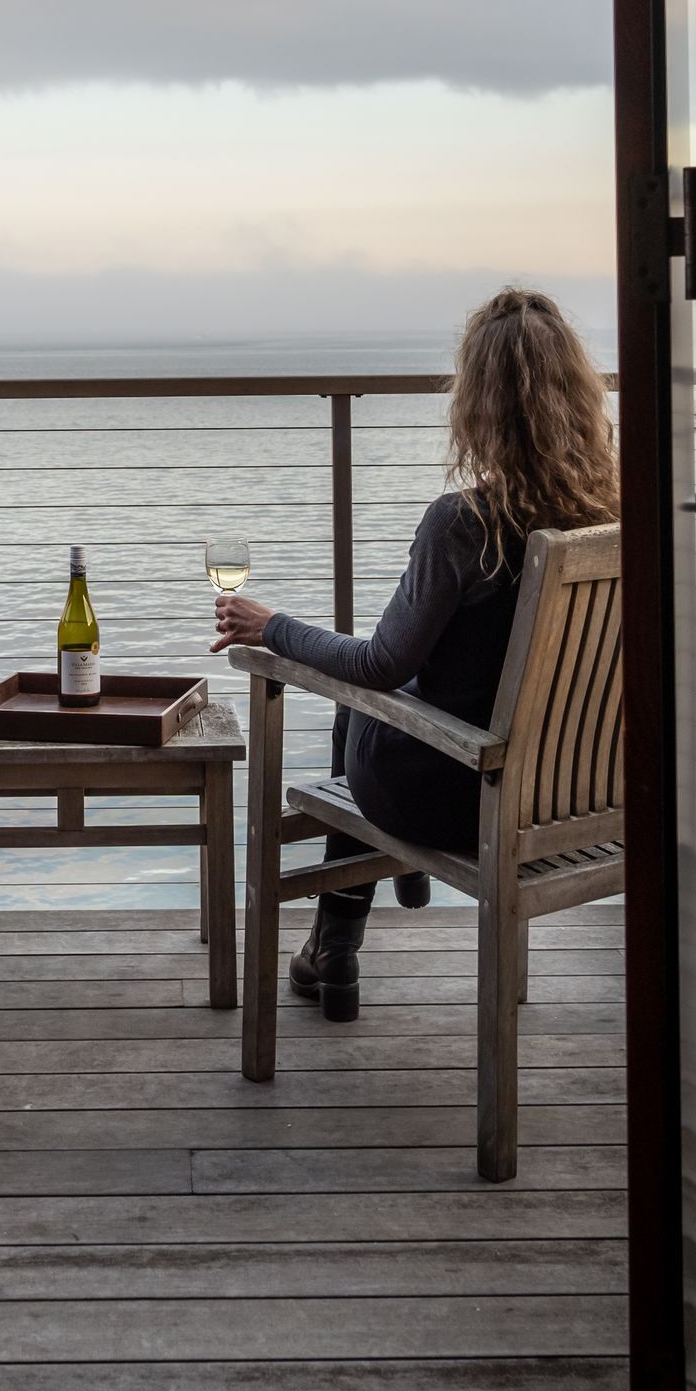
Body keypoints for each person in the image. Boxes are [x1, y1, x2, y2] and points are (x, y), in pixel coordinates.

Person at [212, 287, 618, 1020]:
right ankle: (351, 927)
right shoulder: (618, 518)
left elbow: (379, 667)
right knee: (372, 704)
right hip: (577, 799)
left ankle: (337, 943)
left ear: (478, 404)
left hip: (454, 799)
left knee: (355, 701)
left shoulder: (464, 522)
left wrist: (269, 626)